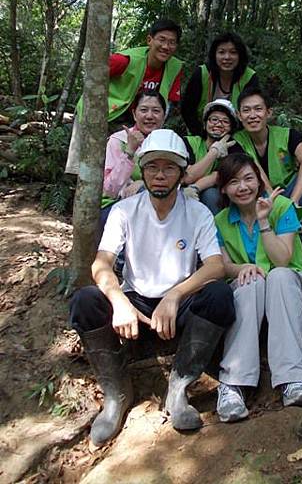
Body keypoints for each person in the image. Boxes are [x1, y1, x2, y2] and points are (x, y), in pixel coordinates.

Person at [69, 130, 235, 446]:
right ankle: (116, 393)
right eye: (152, 167)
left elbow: (216, 266)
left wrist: (175, 295)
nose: (160, 175)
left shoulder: (197, 212)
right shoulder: (124, 211)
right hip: (135, 307)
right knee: (85, 301)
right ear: (142, 171)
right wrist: (118, 300)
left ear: (183, 174)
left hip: (177, 308)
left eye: (169, 168)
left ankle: (179, 387)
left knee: (220, 295)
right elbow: (101, 263)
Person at [214, 154, 302, 422]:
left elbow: (282, 259)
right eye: (234, 182)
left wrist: (263, 221)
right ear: (224, 188)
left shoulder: (283, 207)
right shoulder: (221, 221)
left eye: (249, 178)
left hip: (290, 284)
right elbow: (224, 266)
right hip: (250, 288)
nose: (243, 187)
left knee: (279, 276)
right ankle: (232, 386)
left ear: (260, 180)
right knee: (252, 282)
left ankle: (294, 380)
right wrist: (243, 269)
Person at [66, 18, 183, 174]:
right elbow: (94, 76)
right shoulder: (125, 60)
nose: (166, 46)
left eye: (172, 42)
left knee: (125, 166)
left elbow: (169, 103)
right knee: (86, 167)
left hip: (137, 120)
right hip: (101, 113)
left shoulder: (175, 67)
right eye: (161, 40)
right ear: (149, 40)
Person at [233, 87, 302, 231]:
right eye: (246, 110)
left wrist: (293, 201)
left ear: (268, 112)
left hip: (288, 192)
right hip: (258, 197)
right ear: (238, 115)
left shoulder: (287, 135)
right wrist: (274, 202)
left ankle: (296, 228)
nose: (252, 115)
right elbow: (255, 172)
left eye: (258, 109)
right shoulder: (236, 142)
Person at [100, 90, 166, 233]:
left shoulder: (168, 143)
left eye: (156, 111)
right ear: (134, 114)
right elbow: (109, 190)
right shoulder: (118, 140)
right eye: (143, 110)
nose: (149, 116)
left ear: (164, 116)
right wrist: (129, 151)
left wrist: (144, 183)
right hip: (115, 206)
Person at [181, 32, 258, 135]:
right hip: (201, 132)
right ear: (214, 55)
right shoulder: (202, 73)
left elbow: (251, 113)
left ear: (240, 55)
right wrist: (202, 135)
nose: (227, 57)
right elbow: (187, 110)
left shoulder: (249, 77)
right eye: (221, 52)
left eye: (233, 52)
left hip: (238, 135)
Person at [183, 99, 241, 215]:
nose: (219, 124)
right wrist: (214, 152)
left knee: (211, 194)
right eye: (214, 119)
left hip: (213, 198)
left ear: (231, 128)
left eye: (225, 121)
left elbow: (219, 175)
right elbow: (188, 177)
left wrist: (195, 187)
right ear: (205, 124)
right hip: (181, 192)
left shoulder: (233, 147)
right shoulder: (189, 142)